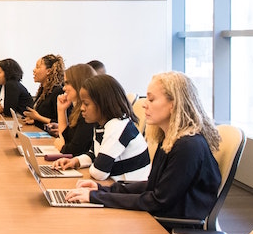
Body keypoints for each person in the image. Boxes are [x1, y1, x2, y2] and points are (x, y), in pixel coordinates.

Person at [64, 71, 222, 221]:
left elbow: (157, 201)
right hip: (160, 220)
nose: (145, 105)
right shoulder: (171, 140)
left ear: (173, 104)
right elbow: (153, 187)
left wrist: (96, 197)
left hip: (171, 233)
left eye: (151, 100)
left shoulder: (188, 147)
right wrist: (101, 189)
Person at [51, 74, 151, 181]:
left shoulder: (117, 126)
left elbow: (99, 173)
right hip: (116, 186)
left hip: (130, 190)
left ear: (103, 104)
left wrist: (94, 165)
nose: (82, 108)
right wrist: (75, 161)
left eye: (86, 104)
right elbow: (93, 153)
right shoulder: (101, 125)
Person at [50, 63, 98, 157]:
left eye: (67, 83)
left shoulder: (89, 113)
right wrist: (61, 110)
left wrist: (62, 147)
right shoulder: (78, 109)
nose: (64, 88)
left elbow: (73, 151)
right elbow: (66, 138)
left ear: (78, 83)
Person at [23, 54, 65, 129]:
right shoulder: (43, 90)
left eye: (38, 67)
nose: (34, 70)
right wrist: (34, 120)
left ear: (48, 71)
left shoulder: (58, 91)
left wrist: (38, 118)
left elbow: (61, 122)